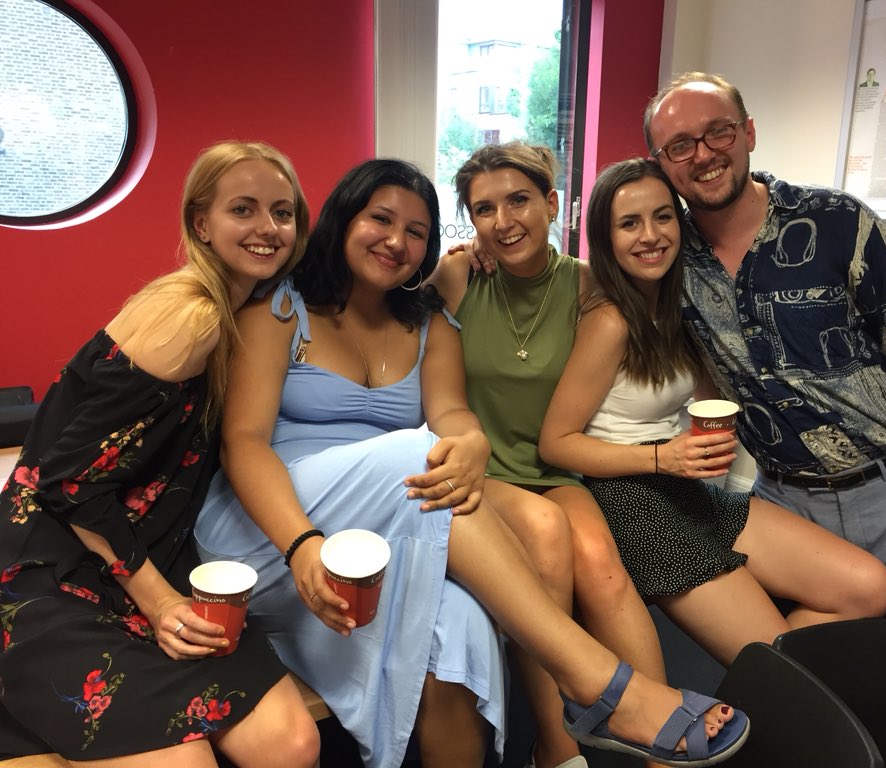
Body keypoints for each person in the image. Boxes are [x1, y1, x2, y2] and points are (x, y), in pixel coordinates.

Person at [194, 158, 748, 768]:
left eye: (416, 232)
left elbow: (452, 413)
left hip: (379, 530)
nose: (396, 241)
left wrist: (471, 442)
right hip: (275, 530)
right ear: (340, 219)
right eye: (380, 219)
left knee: (463, 621)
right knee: (416, 455)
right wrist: (302, 545)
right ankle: (597, 684)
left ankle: (558, 752)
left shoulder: (430, 320)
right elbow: (242, 443)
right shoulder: (281, 307)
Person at [643, 70, 886, 768]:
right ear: (661, 162)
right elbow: (594, 285)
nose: (704, 154)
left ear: (748, 134)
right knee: (821, 675)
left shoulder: (835, 220)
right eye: (681, 145)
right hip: (784, 496)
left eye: (718, 133)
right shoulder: (670, 254)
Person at [0, 141, 320, 767]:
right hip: (56, 564)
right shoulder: (193, 316)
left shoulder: (245, 306)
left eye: (283, 212)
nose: (267, 228)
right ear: (201, 223)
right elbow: (68, 484)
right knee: (184, 762)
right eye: (244, 209)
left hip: (154, 549)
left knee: (292, 743)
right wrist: (160, 601)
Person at [538, 157, 886, 666]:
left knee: (869, 588)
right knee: (783, 663)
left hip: (684, 485)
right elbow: (556, 442)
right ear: (607, 236)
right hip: (627, 498)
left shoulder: (676, 303)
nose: (650, 235)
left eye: (662, 217)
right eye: (628, 223)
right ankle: (777, 687)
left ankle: (768, 690)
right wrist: (664, 458)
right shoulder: (610, 320)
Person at [430, 142, 676, 768]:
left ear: (551, 203)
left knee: (601, 564)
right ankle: (557, 748)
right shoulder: (459, 276)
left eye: (518, 200)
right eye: (484, 209)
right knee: (545, 541)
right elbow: (400, 318)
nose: (504, 220)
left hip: (554, 467)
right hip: (479, 467)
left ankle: (666, 738)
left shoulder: (591, 288)